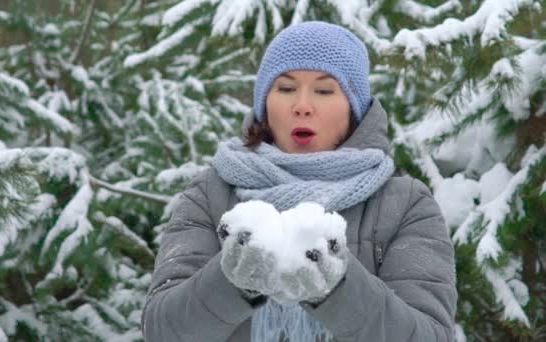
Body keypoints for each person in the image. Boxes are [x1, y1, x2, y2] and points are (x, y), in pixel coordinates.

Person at [141, 21, 457, 342]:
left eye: (324, 90)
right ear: (265, 103)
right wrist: (230, 281)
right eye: (286, 88)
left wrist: (338, 289)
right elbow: (162, 330)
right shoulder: (209, 194)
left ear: (354, 109)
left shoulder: (405, 205)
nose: (302, 106)